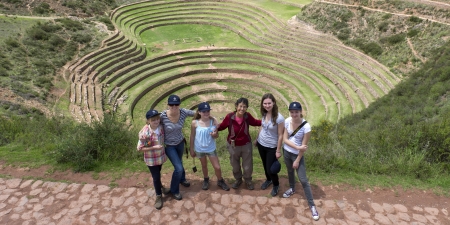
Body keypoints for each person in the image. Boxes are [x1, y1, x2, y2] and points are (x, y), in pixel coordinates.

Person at [282, 102, 319, 221]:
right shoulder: (287, 121)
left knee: (303, 180)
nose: (294, 114)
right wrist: (297, 147)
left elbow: (304, 146)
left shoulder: (306, 127)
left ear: (300, 111)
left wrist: (297, 160)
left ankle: (312, 205)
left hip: (297, 156)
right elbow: (284, 139)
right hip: (286, 151)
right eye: (292, 112)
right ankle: (292, 188)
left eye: (296, 112)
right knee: (289, 171)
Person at [217, 97, 261, 190]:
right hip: (233, 145)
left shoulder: (247, 116)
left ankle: (248, 180)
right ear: (236, 106)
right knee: (235, 165)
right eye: (240, 106)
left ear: (247, 108)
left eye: (244, 107)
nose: (242, 109)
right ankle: (238, 179)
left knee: (247, 165)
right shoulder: (229, 117)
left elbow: (256, 122)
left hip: (246, 145)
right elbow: (221, 126)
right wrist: (212, 127)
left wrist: (267, 121)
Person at [160, 94, 195, 200]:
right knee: (178, 168)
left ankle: (182, 179)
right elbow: (151, 122)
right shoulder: (162, 116)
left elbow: (198, 113)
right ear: (168, 105)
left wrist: (210, 117)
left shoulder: (183, 112)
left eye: (176, 104)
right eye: (171, 104)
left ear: (179, 104)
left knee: (180, 162)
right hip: (169, 146)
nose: (174, 107)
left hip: (180, 142)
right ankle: (174, 190)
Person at [189, 102, 230, 191]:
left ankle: (220, 180)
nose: (206, 113)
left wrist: (214, 135)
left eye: (208, 111)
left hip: (210, 148)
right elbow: (192, 136)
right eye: (204, 112)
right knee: (204, 165)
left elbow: (216, 136)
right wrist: (191, 149)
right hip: (199, 149)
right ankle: (206, 179)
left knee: (217, 167)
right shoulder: (194, 123)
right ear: (199, 112)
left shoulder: (213, 122)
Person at [137, 109, 169, 209]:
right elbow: (140, 149)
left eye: (157, 119)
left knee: (158, 174)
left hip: (160, 157)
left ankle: (161, 187)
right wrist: (154, 147)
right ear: (149, 121)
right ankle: (158, 196)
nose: (156, 121)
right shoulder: (145, 133)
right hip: (151, 159)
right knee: (155, 177)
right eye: (153, 120)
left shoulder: (160, 127)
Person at [255, 93, 285, 196]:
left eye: (269, 103)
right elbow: (262, 127)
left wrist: (278, 150)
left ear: (274, 103)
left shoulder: (279, 118)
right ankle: (268, 180)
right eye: (265, 103)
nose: (267, 105)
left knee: (271, 169)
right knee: (264, 164)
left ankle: (276, 184)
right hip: (261, 143)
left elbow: (281, 135)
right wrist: (257, 139)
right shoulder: (264, 113)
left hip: (272, 147)